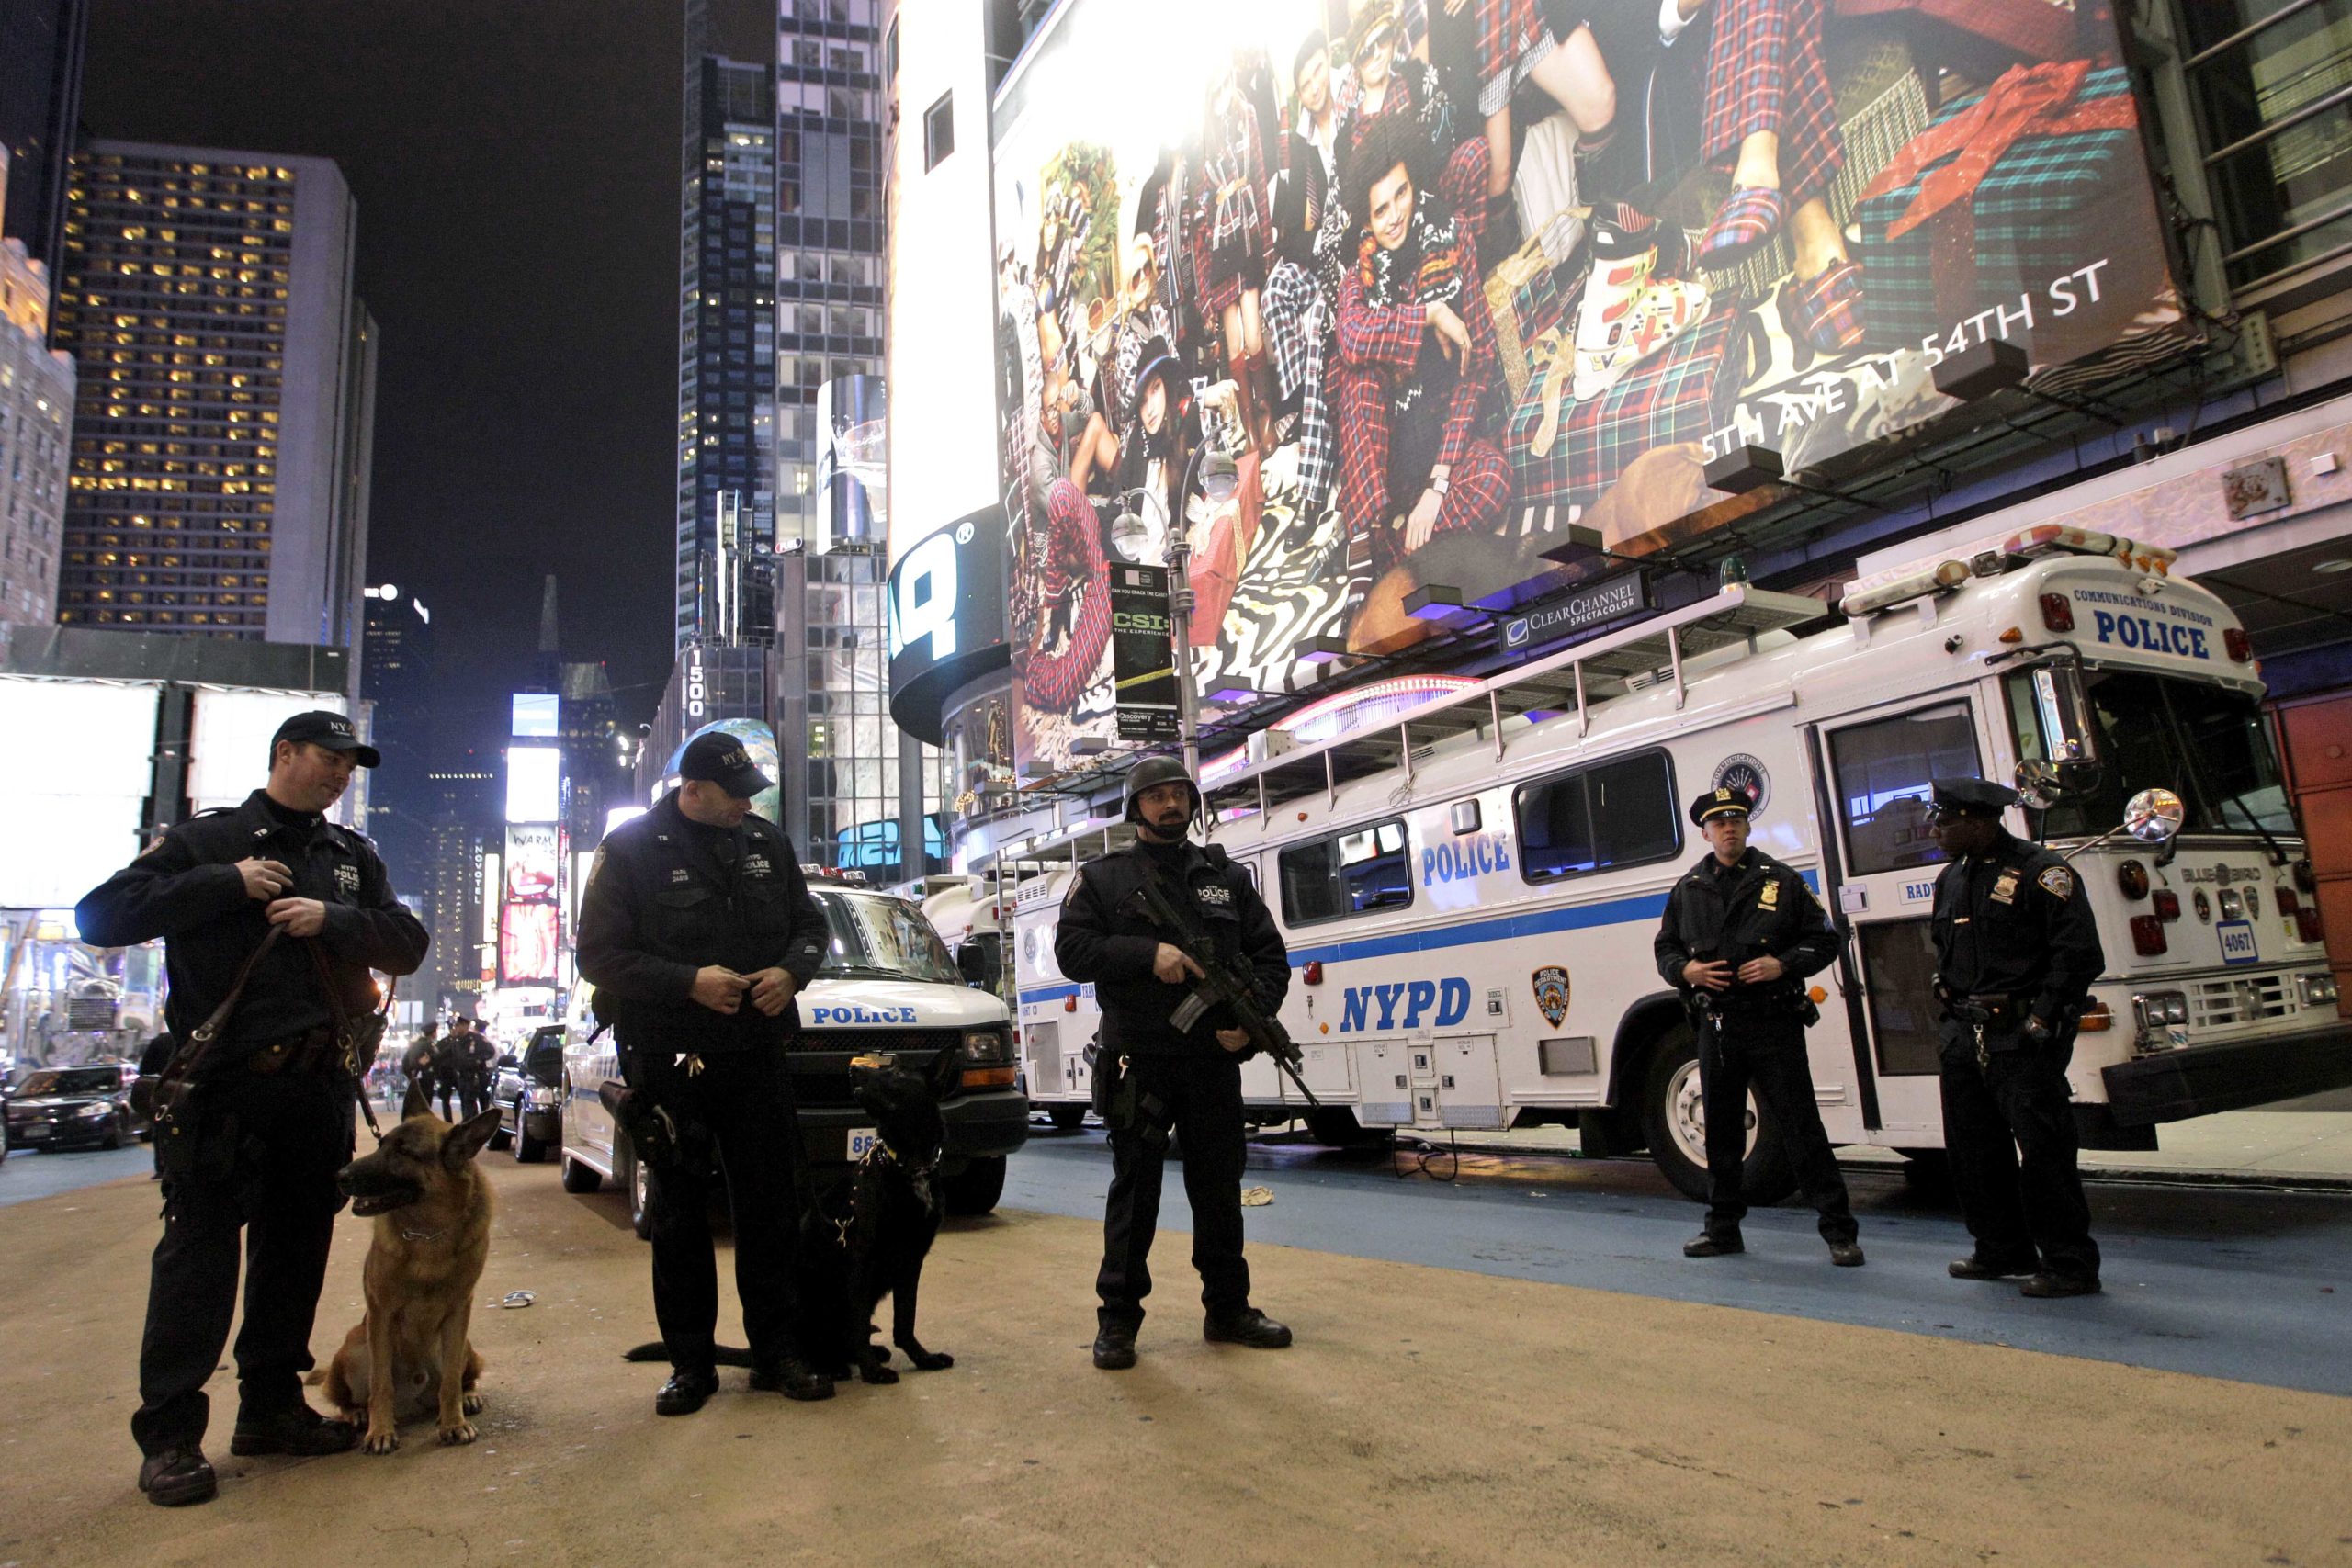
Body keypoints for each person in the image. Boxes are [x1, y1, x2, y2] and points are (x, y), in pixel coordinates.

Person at [77, 709, 428, 1507]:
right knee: (199, 1258)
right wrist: (226, 883)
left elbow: (407, 942)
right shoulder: (211, 839)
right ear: (284, 754)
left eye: (351, 764)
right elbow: (100, 915)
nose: (342, 773)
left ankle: (270, 1410)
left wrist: (332, 919)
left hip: (315, 1088)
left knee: (295, 1252)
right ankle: (169, 1436)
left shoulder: (350, 857)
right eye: (329, 758)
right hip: (225, 1088)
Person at [574, 731, 833, 1414]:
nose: (746, 803)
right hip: (670, 1058)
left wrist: (791, 971)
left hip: (758, 1054)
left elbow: (811, 926)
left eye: (751, 791)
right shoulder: (629, 849)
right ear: (691, 789)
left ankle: (777, 1352)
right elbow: (598, 955)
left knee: (770, 1210)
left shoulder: (765, 843)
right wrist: (687, 981)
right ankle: (692, 1364)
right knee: (681, 1215)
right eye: (734, 793)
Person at [1056, 756, 1294, 1371]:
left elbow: (1269, 958)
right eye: (1156, 796)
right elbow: (1073, 950)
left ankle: (1228, 1308)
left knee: (1218, 1190)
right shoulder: (1104, 879)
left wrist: (1251, 1019)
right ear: (1136, 808)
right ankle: (1118, 1321)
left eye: (1178, 795)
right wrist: (1146, 952)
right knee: (1136, 1192)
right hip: (1143, 1059)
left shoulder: (1225, 878)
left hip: (1212, 1060)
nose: (1170, 805)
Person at [1655, 786, 1862, 1266]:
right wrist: (1686, 972)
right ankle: (1722, 1230)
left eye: (1737, 821)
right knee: (1721, 1134)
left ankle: (1839, 1233)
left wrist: (1783, 965)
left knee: (1800, 1127)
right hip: (1717, 1026)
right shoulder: (1689, 888)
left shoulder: (1781, 881)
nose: (1729, 829)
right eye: (1719, 823)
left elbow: (1826, 939)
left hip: (1772, 1022)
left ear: (1748, 828)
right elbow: (1665, 948)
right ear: (1705, 833)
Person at [1926, 778, 2107, 1298]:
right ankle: (2002, 1249)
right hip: (1966, 1034)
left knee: (2045, 1153)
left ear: (1979, 822)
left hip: (2022, 1036)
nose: (1936, 830)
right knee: (1973, 1152)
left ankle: (2070, 1264)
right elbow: (1945, 946)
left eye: (1946, 822)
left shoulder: (2042, 873)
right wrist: (1946, 985)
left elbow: (2078, 957)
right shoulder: (1951, 879)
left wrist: (2043, 1019)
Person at [1331, 112, 1513, 605]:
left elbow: (1475, 372)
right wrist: (1428, 315)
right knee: (1357, 374)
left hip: (1440, 449)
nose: (1394, 216)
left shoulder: (1453, 241)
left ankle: (1392, 557)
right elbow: (1350, 336)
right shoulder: (1359, 276)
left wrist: (1439, 485)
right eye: (1379, 210)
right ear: (1364, 220)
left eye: (1402, 194)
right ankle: (1368, 537)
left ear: (1416, 186)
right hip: (1387, 460)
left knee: (1494, 477)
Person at [400, 1021, 440, 1110]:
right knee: (426, 1103)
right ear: (433, 1033)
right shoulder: (429, 1045)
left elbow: (405, 1062)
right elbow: (437, 1059)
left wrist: (410, 1075)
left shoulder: (414, 1045)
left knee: (416, 1101)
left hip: (415, 1077)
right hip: (426, 1077)